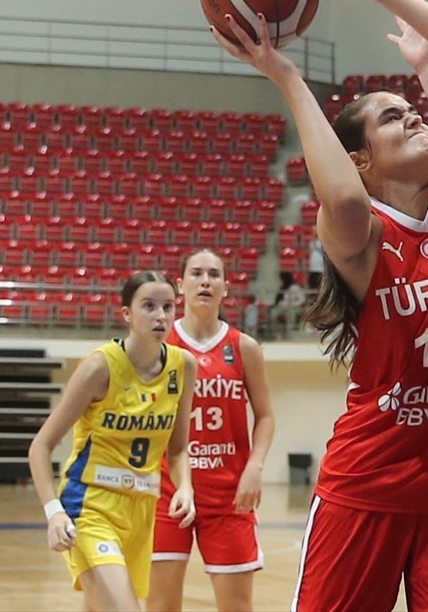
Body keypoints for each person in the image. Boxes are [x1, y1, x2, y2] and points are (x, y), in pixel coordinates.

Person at [213, 0, 428, 612]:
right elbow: (342, 194)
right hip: (367, 489)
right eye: (389, 116)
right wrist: (287, 75)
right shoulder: (360, 234)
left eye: (410, 107)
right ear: (362, 159)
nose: (412, 112)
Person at [27, 272, 197, 612]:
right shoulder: (99, 368)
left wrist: (185, 487)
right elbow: (40, 447)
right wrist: (53, 513)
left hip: (141, 509)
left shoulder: (183, 366)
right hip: (90, 506)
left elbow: (177, 449)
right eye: (148, 306)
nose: (160, 315)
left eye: (168, 306)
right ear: (127, 314)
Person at [148, 250, 275, 612]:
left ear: (226, 289)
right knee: (160, 606)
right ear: (180, 285)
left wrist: (255, 466)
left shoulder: (244, 346)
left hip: (229, 495)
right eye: (197, 273)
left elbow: (265, 416)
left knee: (236, 607)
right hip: (166, 492)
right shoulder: (159, 345)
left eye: (214, 274)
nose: (205, 280)